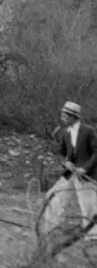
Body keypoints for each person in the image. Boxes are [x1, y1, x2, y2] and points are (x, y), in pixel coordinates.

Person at [41, 101, 97, 241]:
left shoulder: (88, 130)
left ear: (73, 116)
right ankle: (50, 228)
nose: (62, 117)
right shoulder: (66, 133)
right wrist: (65, 162)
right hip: (70, 174)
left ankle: (92, 235)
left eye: (65, 115)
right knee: (53, 196)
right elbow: (60, 152)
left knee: (88, 203)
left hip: (85, 175)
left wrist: (85, 168)